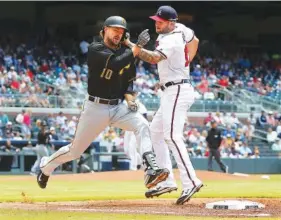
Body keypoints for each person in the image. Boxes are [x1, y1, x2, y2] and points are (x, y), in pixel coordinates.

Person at [36, 16, 169, 190]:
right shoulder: (95, 48)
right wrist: (137, 47)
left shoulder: (125, 51)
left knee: (143, 125)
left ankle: (151, 168)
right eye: (115, 29)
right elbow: (115, 64)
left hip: (118, 107)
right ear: (105, 30)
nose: (118, 33)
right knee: (75, 151)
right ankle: (46, 167)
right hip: (95, 108)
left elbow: (129, 78)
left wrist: (129, 96)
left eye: (121, 31)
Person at [125, 6, 203, 205]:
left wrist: (130, 44)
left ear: (171, 22)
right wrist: (185, 64)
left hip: (177, 90)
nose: (156, 23)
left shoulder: (172, 38)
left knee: (171, 136)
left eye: (160, 21)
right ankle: (167, 180)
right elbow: (195, 40)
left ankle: (191, 181)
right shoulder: (182, 30)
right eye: (156, 20)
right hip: (171, 88)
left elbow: (153, 58)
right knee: (154, 133)